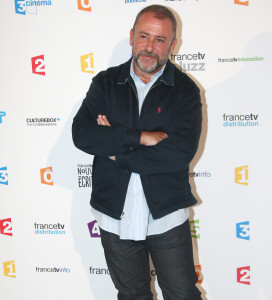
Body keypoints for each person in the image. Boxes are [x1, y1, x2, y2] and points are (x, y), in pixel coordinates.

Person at [72, 4, 203, 300]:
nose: (150, 48)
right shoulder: (105, 83)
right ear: (132, 36)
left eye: (160, 40)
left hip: (166, 216)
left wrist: (116, 150)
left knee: (182, 294)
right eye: (144, 36)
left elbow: (178, 153)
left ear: (173, 44)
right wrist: (142, 137)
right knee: (131, 296)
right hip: (114, 216)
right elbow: (82, 135)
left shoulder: (184, 90)